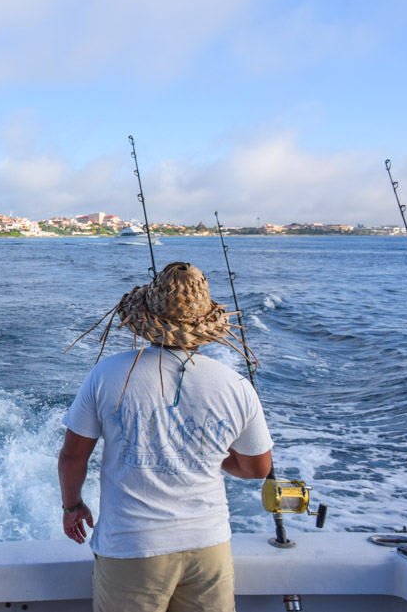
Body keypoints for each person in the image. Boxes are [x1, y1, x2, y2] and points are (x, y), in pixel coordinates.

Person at [58, 262, 273, 612]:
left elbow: (72, 457)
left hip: (132, 547)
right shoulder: (236, 385)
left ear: (145, 317)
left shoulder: (107, 374)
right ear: (205, 322)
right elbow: (257, 468)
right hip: (209, 547)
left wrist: (72, 506)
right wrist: (206, 452)